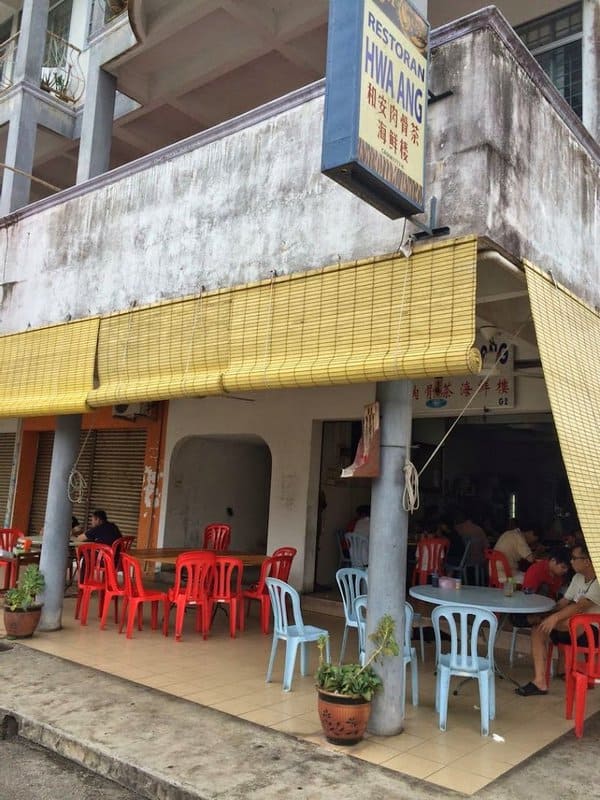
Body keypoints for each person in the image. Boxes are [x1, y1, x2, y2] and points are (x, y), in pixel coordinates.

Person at [515, 542, 600, 696]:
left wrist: (553, 618)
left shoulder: (598, 581)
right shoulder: (578, 578)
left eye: (574, 558)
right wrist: (548, 614)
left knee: (571, 620)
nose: (571, 562)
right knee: (539, 628)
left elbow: (580, 606)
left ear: (587, 561)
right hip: (571, 627)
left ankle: (540, 621)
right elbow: (564, 602)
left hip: (592, 631)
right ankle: (539, 681)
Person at [510, 547, 571, 628]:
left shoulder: (559, 575)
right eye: (563, 567)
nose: (565, 571)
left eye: (567, 568)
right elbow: (527, 596)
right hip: (533, 607)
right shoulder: (536, 571)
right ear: (553, 561)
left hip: (551, 606)